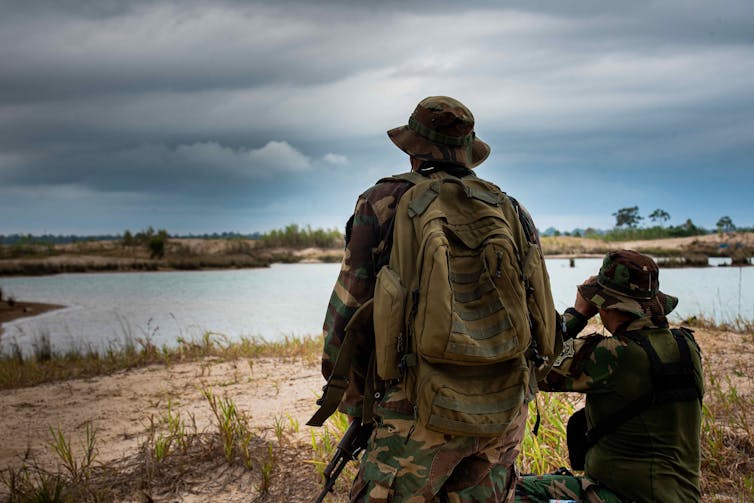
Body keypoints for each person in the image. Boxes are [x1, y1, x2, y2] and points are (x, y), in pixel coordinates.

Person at [315, 96, 557, 502]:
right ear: (469, 153)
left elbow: (348, 312)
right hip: (504, 404)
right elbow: (540, 314)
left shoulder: (381, 202)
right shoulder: (512, 209)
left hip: (416, 406)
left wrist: (356, 404)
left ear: (413, 150)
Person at [515, 250, 704, 503]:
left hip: (623, 496)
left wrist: (577, 315)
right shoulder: (686, 346)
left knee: (509, 492)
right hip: (680, 497)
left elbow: (532, 363)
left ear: (605, 306)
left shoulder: (616, 355)